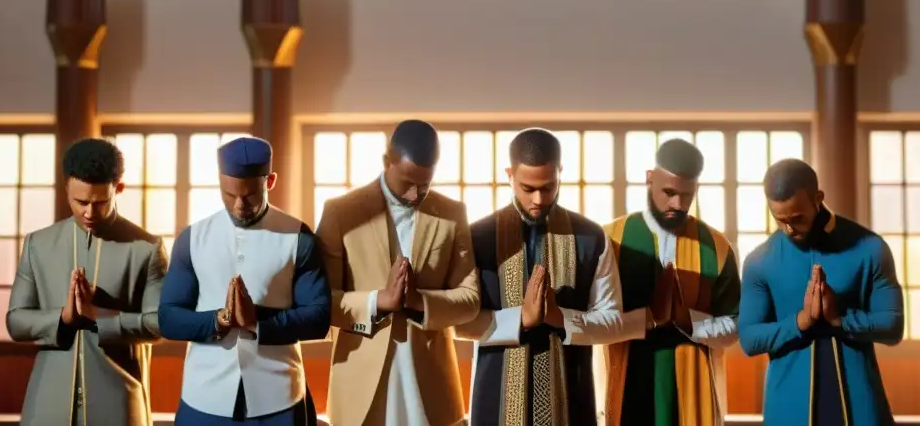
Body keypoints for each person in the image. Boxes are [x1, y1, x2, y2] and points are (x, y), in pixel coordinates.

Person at [316, 119, 480, 426]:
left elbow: (470, 298)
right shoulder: (341, 212)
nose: (415, 194)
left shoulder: (452, 213)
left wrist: (421, 302)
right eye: (407, 182)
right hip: (359, 382)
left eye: (425, 184)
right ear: (386, 162)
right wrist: (377, 301)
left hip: (431, 385)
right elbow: (320, 301)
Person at [158, 136, 331, 425]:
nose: (239, 204)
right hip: (204, 397)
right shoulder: (192, 239)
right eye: (229, 194)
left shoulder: (299, 237)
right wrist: (220, 320)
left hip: (279, 397)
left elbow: (319, 317)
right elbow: (169, 318)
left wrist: (257, 322)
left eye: (250, 195)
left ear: (270, 181)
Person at [458, 128, 624, 426]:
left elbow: (613, 322)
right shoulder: (476, 237)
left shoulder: (591, 236)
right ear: (509, 174)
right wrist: (520, 319)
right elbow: (458, 322)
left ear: (560, 172)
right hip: (493, 403)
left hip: (572, 401)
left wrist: (561, 318)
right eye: (527, 188)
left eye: (548, 188)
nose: (538, 198)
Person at [6, 137, 167, 426]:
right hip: (46, 407)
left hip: (120, 406)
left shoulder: (147, 248)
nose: (89, 213)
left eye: (101, 202)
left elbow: (160, 323)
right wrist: (64, 318)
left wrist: (101, 316)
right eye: (80, 202)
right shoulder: (37, 244)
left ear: (118, 188)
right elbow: (16, 321)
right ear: (66, 185)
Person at [738, 158, 904, 425]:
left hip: (862, 407)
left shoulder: (870, 248)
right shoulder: (760, 261)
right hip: (788, 411)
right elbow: (748, 338)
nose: (789, 229)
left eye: (797, 218)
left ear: (818, 198)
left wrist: (841, 319)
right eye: (780, 220)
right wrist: (801, 321)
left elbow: (893, 326)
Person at [597, 139, 741, 425]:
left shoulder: (716, 246)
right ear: (649, 179)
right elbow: (593, 321)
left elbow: (735, 326)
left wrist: (687, 320)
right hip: (628, 375)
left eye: (686, 196)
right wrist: (648, 318)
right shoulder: (610, 240)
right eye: (669, 192)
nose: (677, 204)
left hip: (693, 385)